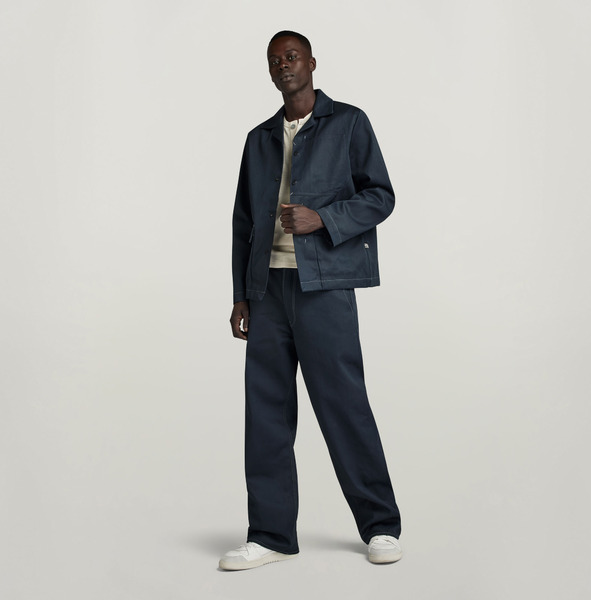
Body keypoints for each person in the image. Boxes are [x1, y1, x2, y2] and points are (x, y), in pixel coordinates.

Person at [220, 30, 402, 571]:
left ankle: (381, 526)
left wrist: (322, 218)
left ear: (313, 63)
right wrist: (241, 296)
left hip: (324, 288)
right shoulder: (258, 139)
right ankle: (271, 534)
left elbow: (380, 196)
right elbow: (243, 222)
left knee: (344, 407)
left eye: (292, 56)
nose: (284, 65)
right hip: (267, 292)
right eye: (275, 60)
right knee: (266, 416)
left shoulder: (349, 123)